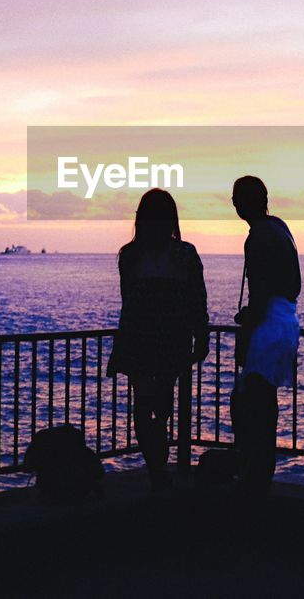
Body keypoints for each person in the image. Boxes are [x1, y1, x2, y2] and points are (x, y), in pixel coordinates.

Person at [107, 188, 209, 490]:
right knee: (162, 401)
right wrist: (200, 335)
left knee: (144, 401)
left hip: (140, 337)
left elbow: (129, 301)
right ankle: (158, 459)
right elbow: (197, 300)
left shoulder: (130, 255)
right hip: (170, 338)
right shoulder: (184, 254)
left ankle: (155, 461)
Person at [231, 175, 300, 496]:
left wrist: (248, 324)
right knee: (264, 401)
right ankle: (262, 472)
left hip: (268, 326)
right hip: (286, 321)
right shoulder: (280, 228)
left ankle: (253, 474)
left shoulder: (257, 236)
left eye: (236, 198)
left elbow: (259, 293)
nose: (233, 204)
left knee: (251, 401)